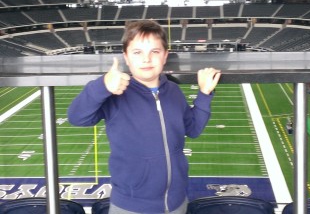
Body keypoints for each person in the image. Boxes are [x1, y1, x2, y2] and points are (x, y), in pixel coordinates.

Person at [67, 20, 221, 214]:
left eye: (154, 52)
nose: (146, 59)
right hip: (131, 207)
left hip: (177, 202)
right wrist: (103, 86)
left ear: (165, 56)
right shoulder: (115, 93)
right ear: (126, 57)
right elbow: (77, 117)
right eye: (137, 52)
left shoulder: (173, 90)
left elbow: (193, 129)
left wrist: (204, 94)